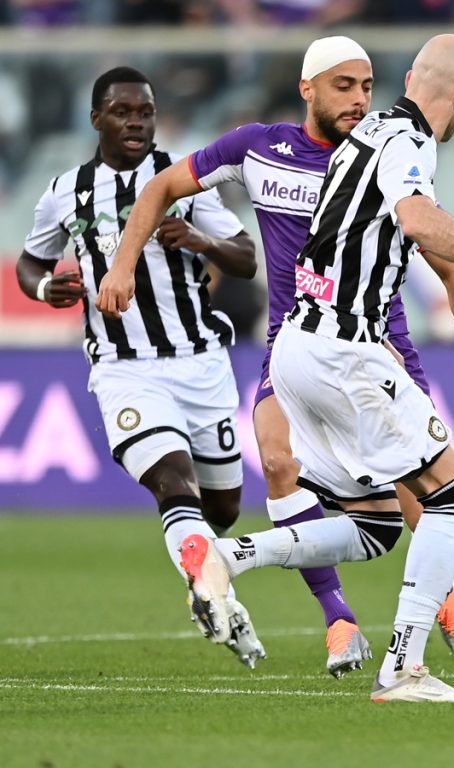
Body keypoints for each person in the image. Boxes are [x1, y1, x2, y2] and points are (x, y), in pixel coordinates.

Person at [160, 33, 454, 702]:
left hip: (296, 346)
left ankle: (228, 557)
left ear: (409, 77)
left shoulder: (368, 131)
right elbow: (419, 220)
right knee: (453, 497)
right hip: (347, 350)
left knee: (378, 525)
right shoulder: (409, 144)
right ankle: (404, 668)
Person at [15, 67, 265, 668]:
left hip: (201, 361)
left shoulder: (183, 181)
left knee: (224, 507)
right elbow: (30, 262)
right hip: (126, 367)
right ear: (96, 118)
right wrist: (48, 284)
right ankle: (214, 596)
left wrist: (202, 243)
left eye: (145, 112)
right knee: (172, 481)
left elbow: (247, 258)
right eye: (123, 112)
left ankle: (200, 573)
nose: (136, 122)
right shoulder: (67, 192)